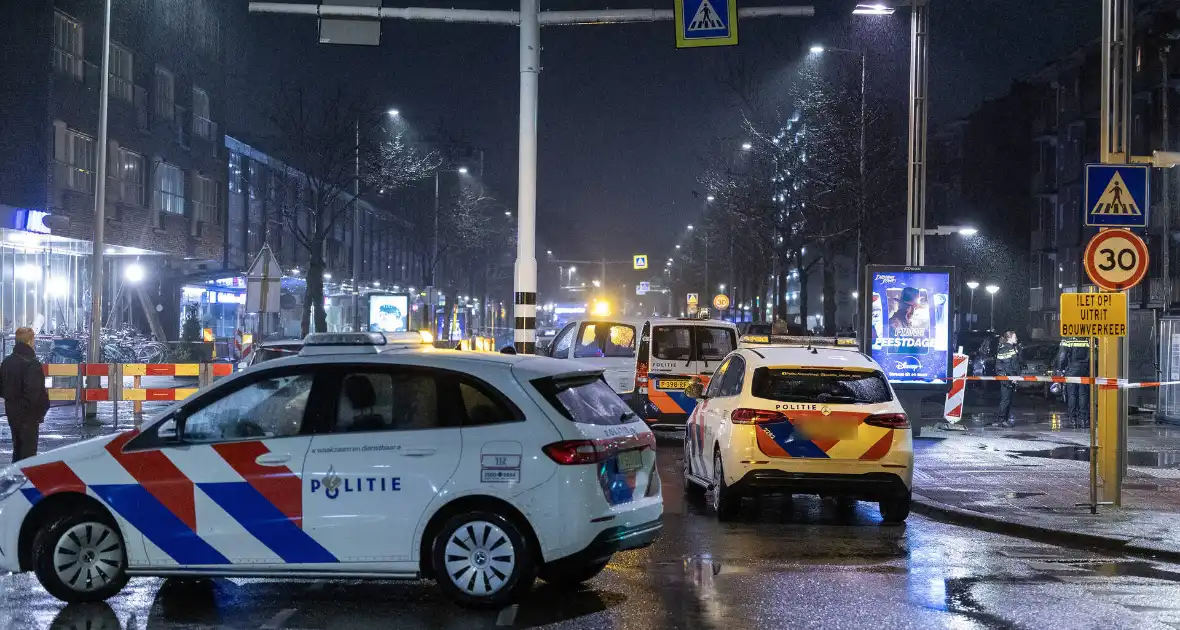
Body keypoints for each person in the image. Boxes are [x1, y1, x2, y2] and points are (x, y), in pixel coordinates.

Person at [1, 327, 50, 462]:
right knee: (28, 454)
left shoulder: (6, 362)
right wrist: (43, 409)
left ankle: (15, 479)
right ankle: (25, 481)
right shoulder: (32, 363)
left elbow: (2, 388)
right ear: (30, 341)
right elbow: (35, 393)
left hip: (12, 413)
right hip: (29, 415)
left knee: (17, 450)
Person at [1057, 338, 1091, 429]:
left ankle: (1073, 420)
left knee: (1072, 395)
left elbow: (1062, 356)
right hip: (1085, 369)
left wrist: (1060, 369)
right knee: (1083, 394)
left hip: (1071, 369)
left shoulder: (1068, 339)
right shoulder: (1087, 337)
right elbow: (1094, 354)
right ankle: (1083, 420)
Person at [994, 331, 1022, 427]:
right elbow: (1008, 366)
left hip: (1010, 377)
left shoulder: (1011, 348)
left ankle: (1005, 419)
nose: (1017, 338)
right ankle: (1001, 419)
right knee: (1005, 399)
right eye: (1015, 337)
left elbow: (1016, 364)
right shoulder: (1005, 349)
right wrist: (1013, 377)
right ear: (1009, 338)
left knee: (1009, 399)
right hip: (1006, 377)